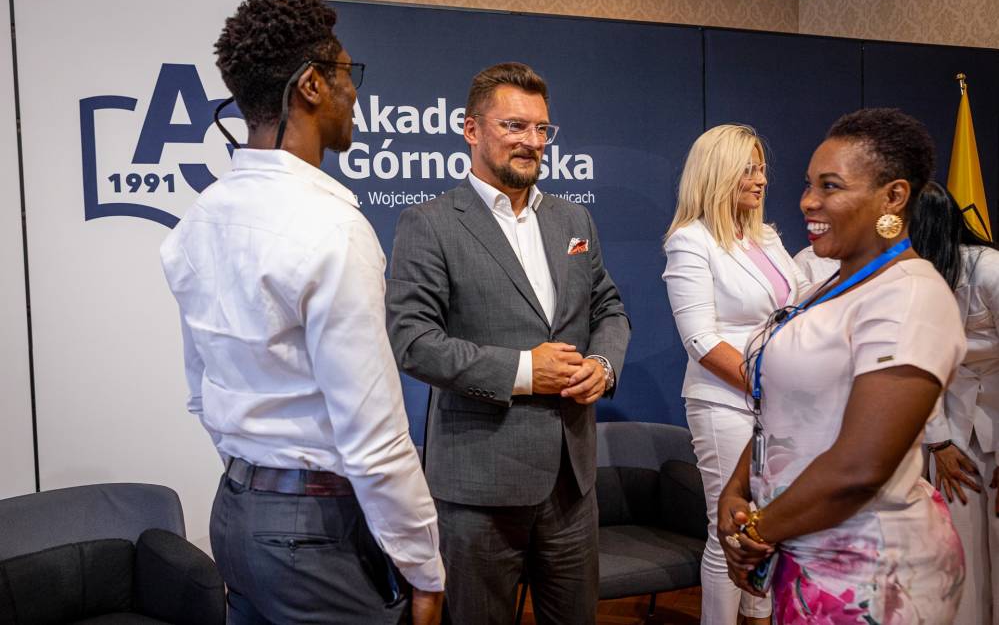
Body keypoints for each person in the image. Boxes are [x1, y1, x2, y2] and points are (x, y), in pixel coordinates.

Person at [160, 0, 445, 625]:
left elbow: (201, 395)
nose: (354, 93)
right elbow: (374, 437)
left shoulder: (197, 222)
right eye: (347, 74)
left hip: (236, 515)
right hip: (313, 534)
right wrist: (424, 567)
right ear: (312, 86)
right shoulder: (332, 229)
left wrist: (258, 483)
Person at [386, 62, 630, 625]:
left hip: (572, 483)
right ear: (471, 130)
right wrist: (524, 370)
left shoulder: (573, 218)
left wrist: (602, 363)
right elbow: (413, 340)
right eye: (514, 126)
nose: (532, 142)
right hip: (479, 487)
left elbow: (609, 309)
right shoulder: (429, 223)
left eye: (542, 128)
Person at [719, 108, 967, 623]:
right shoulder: (829, 286)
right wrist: (737, 489)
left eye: (830, 186)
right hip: (803, 554)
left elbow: (860, 466)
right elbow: (786, 410)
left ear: (893, 197)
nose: (808, 200)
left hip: (872, 573)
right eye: (809, 184)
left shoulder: (910, 295)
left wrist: (756, 531)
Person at [662, 123, 806, 624]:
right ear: (718, 173)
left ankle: (759, 617)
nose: (762, 179)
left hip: (777, 406)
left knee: (767, 524)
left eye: (762, 168)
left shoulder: (766, 236)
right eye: (748, 169)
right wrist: (768, 388)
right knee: (729, 526)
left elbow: (801, 301)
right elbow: (701, 341)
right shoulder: (690, 241)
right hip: (725, 402)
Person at [912, 181, 999, 625]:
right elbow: (919, 367)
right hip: (953, 422)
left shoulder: (990, 270)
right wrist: (940, 442)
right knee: (958, 548)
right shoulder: (914, 283)